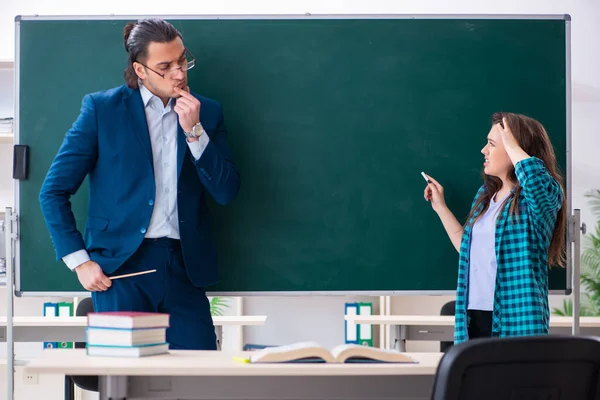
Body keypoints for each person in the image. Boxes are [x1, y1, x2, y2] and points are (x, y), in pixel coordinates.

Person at [39, 18, 240, 350]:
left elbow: (226, 191)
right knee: (124, 384)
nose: (179, 73)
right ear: (141, 70)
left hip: (185, 267)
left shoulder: (209, 113)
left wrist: (195, 132)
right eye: (166, 66)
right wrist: (80, 262)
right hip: (120, 270)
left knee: (199, 380)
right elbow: (53, 191)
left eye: (182, 61)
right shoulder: (101, 110)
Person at [423, 112, 566, 343]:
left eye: (491, 144)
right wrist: (441, 208)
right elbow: (468, 250)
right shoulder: (485, 195)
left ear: (513, 149)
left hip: (517, 320)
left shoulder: (541, 195)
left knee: (515, 379)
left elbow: (535, 181)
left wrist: (512, 143)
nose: (484, 150)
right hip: (472, 316)